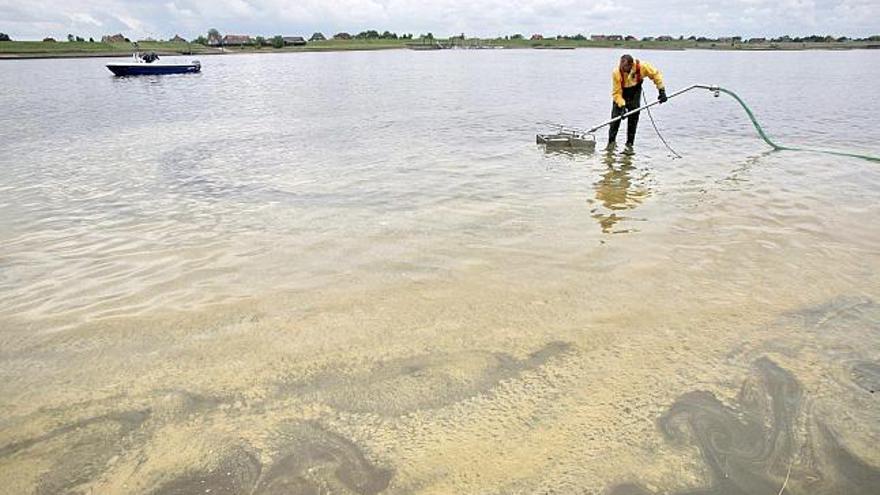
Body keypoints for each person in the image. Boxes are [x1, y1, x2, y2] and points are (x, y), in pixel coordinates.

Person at [608, 54, 667, 148]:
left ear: (631, 65)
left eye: (624, 68)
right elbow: (616, 93)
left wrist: (661, 90)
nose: (622, 69)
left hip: (634, 94)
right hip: (621, 95)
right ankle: (610, 145)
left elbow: (656, 74)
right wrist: (622, 106)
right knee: (615, 121)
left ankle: (629, 146)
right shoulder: (616, 72)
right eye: (621, 66)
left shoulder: (643, 66)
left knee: (633, 121)